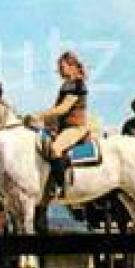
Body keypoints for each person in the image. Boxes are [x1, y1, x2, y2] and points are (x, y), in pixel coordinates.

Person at [30, 51, 91, 199]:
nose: (60, 70)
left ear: (72, 66)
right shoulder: (66, 85)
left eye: (62, 67)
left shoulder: (77, 84)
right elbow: (56, 110)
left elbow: (63, 108)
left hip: (75, 128)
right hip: (63, 128)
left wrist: (39, 115)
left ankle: (61, 186)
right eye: (59, 67)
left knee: (56, 148)